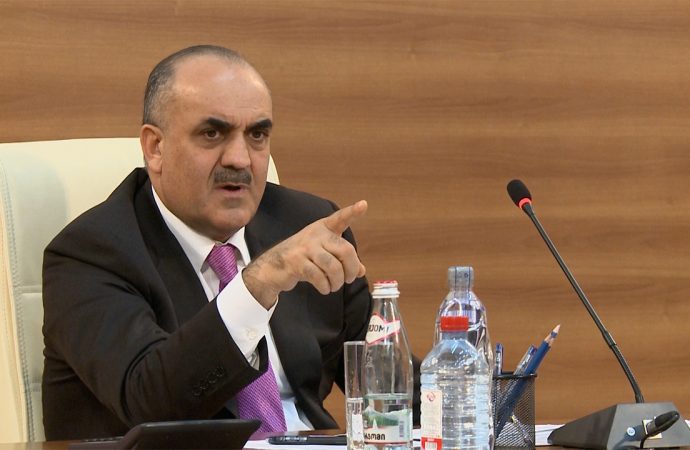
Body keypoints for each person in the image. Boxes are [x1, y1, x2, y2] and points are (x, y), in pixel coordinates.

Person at [41, 45, 385, 440]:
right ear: (155, 147)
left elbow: (386, 380)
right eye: (212, 133)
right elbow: (149, 404)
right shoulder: (90, 255)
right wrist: (255, 287)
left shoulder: (304, 224)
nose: (240, 158)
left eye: (257, 135)